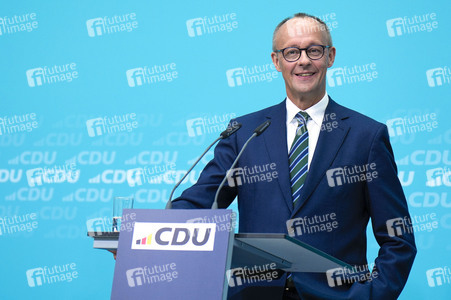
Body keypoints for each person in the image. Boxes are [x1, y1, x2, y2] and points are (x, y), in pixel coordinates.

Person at [172, 13, 416, 300]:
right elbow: (198, 203)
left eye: (314, 50)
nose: (303, 60)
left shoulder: (367, 136)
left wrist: (370, 296)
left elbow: (398, 239)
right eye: (291, 52)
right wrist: (140, 240)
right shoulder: (245, 132)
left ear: (330, 56)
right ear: (276, 61)